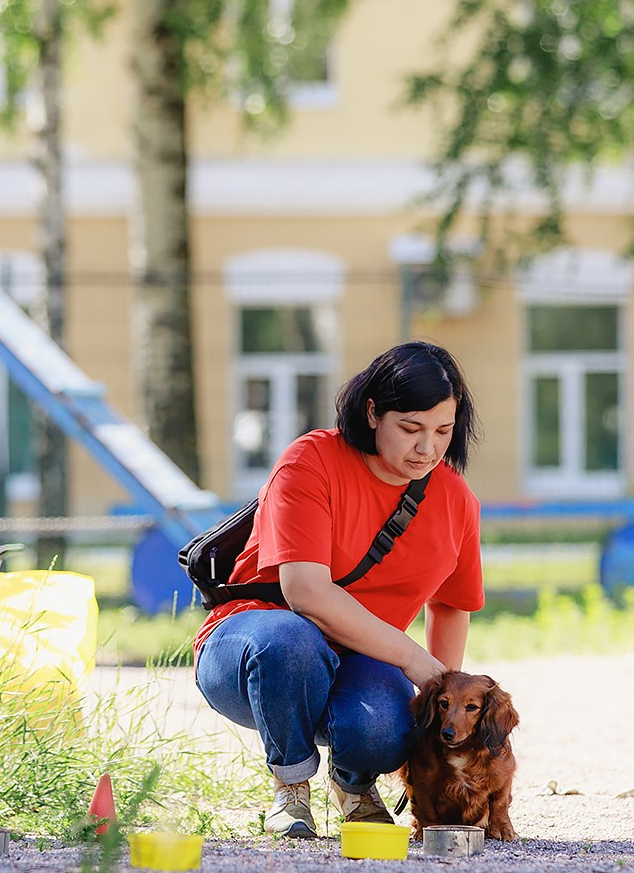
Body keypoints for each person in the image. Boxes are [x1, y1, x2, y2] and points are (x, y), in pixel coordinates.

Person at [193, 341, 485, 838]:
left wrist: (444, 703)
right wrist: (417, 663)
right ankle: (291, 786)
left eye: (443, 430)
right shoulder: (311, 461)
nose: (427, 448)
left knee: (389, 727)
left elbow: (453, 605)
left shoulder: (455, 496)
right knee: (291, 640)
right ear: (372, 413)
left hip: (360, 661)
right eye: (410, 428)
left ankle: (354, 784)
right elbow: (306, 593)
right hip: (253, 647)